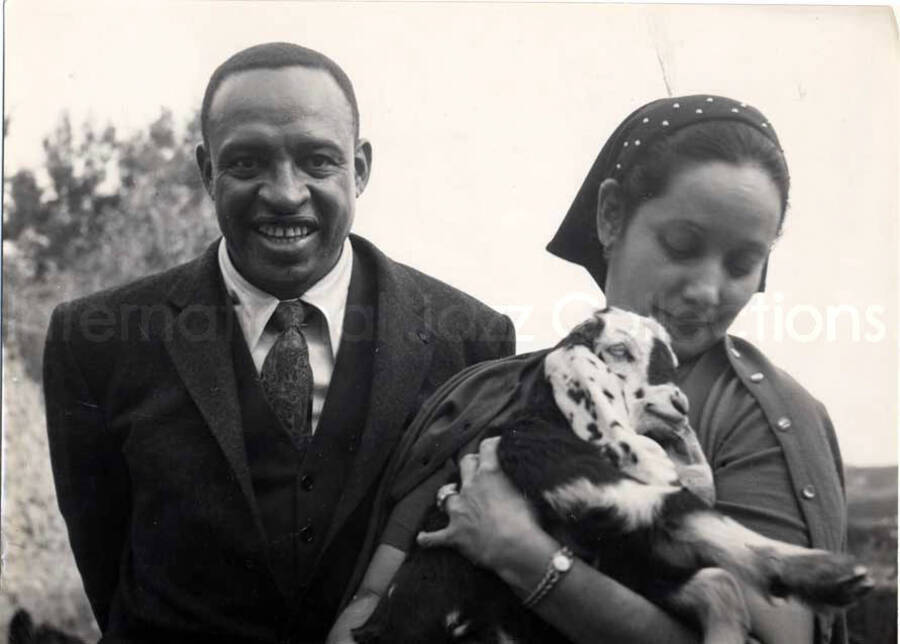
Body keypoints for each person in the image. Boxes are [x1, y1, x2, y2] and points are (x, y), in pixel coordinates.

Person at [43, 42, 515, 643]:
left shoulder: (473, 339)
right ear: (207, 170)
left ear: (360, 168)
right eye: (247, 163)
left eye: (318, 161)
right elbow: (105, 563)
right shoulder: (94, 340)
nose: (285, 193)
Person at [331, 95, 848, 644]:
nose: (706, 290)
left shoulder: (756, 419)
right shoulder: (491, 390)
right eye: (681, 245)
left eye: (742, 264)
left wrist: (527, 558)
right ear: (610, 215)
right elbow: (370, 601)